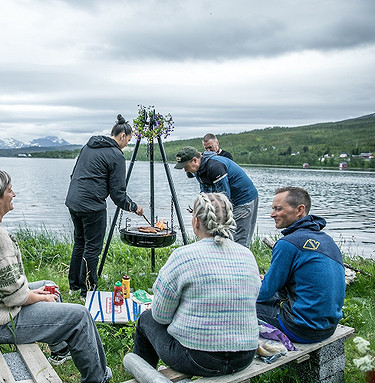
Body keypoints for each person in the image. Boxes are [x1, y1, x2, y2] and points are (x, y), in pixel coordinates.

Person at [0, 168, 111, 383]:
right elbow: (16, 298)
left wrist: (35, 292)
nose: (14, 194)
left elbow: (7, 286)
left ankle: (60, 350)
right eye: (10, 190)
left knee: (49, 285)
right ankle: (98, 379)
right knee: (80, 316)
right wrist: (38, 297)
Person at [133, 193, 260, 377]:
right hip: (244, 357)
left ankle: (144, 376)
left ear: (196, 222)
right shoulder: (247, 255)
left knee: (146, 319)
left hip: (198, 359)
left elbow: (160, 316)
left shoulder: (183, 256)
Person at [65, 114, 144, 299]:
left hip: (73, 201)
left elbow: (74, 174)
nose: (127, 144)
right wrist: (133, 207)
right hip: (92, 206)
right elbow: (118, 194)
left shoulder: (88, 146)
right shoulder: (116, 155)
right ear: (122, 135)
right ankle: (88, 292)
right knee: (92, 248)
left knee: (80, 243)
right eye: (129, 140)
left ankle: (74, 287)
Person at [256, 187, 346, 343]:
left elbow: (263, 292)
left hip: (300, 329)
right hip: (328, 327)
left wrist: (244, 286)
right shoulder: (327, 240)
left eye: (278, 209)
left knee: (236, 305)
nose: (272, 214)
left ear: (300, 210)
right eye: (273, 209)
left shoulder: (288, 244)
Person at [174, 146, 258, 248]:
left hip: (244, 199)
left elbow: (223, 197)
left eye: (185, 166)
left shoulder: (215, 166)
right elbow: (205, 191)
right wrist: (200, 208)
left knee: (237, 240)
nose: (185, 170)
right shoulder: (198, 170)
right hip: (232, 198)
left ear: (194, 160)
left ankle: (242, 260)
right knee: (220, 236)